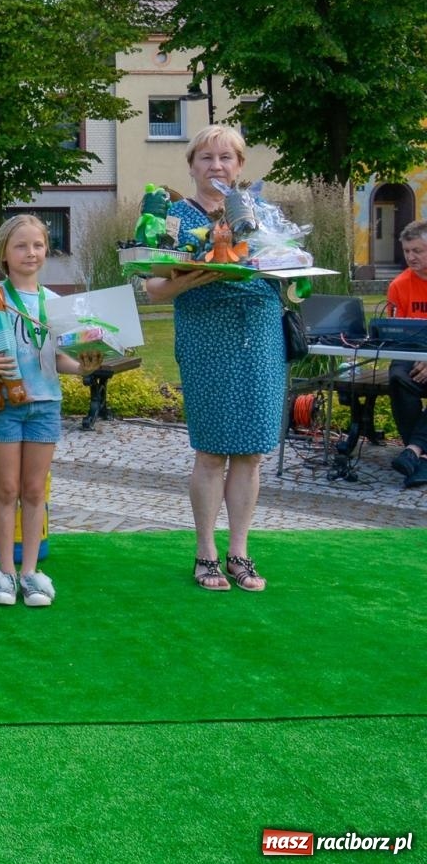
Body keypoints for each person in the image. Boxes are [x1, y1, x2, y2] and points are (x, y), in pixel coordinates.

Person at [145, 125, 277, 592]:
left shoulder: (259, 212)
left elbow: (281, 266)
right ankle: (206, 553)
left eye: (226, 158)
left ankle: (239, 553)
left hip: (259, 333)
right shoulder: (174, 216)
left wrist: (293, 279)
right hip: (206, 333)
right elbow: (154, 286)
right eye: (206, 158)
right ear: (191, 165)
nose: (216, 166)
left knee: (252, 452)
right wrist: (193, 278)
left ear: (239, 165)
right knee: (211, 450)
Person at [0, 215, 102, 606]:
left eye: (38, 245)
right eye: (21, 246)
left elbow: (61, 359)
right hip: (2, 405)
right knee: (6, 489)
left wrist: (84, 367)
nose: (30, 253)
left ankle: (31, 572)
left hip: (45, 405)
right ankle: (4, 573)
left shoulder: (54, 303)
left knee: (35, 490)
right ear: (3, 253)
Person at [384, 219, 427, 487]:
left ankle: (414, 452)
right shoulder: (398, 286)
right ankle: (420, 456)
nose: (411, 256)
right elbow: (393, 337)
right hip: (411, 356)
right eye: (407, 251)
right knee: (398, 378)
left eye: (418, 251)